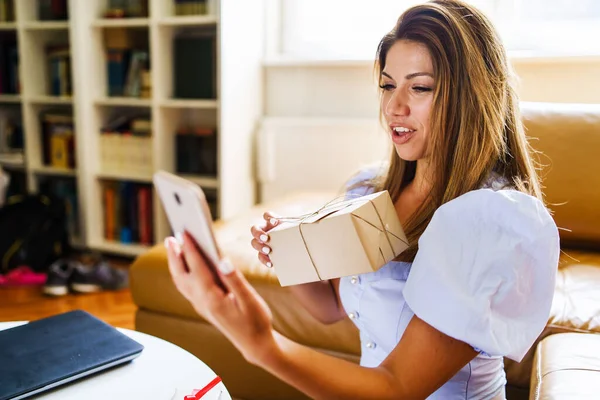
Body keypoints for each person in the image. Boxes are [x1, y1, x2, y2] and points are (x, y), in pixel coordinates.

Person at [163, 0, 560, 398]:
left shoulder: (487, 220)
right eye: (388, 85)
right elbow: (332, 307)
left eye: (419, 87)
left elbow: (397, 387)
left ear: (473, 96)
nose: (394, 106)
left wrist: (261, 343)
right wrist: (289, 254)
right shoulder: (372, 191)